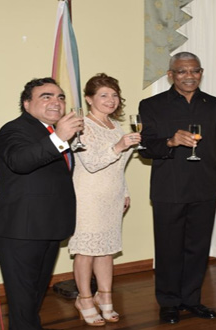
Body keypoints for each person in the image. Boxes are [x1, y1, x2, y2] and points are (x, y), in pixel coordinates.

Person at [138, 51, 216, 324]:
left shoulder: (215, 105)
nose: (189, 76)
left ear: (201, 73)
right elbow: (146, 148)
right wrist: (171, 142)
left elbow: (213, 149)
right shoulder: (151, 105)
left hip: (204, 188)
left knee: (198, 249)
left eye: (194, 71)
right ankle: (168, 302)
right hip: (169, 188)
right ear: (170, 75)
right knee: (168, 249)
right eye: (182, 71)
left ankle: (192, 299)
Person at [0, 77, 83, 329]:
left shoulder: (52, 132)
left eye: (60, 97)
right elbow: (20, 161)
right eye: (46, 96)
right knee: (22, 302)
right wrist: (59, 138)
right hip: (22, 228)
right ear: (27, 104)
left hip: (49, 226)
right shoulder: (14, 130)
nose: (56, 101)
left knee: (33, 298)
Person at [68, 73, 140, 326]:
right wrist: (119, 146)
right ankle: (84, 298)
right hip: (88, 195)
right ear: (89, 99)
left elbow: (118, 166)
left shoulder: (115, 126)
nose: (111, 100)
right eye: (103, 95)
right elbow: (90, 163)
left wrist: (126, 191)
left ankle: (105, 296)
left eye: (114, 95)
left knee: (107, 250)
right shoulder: (81, 126)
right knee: (86, 250)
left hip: (112, 194)